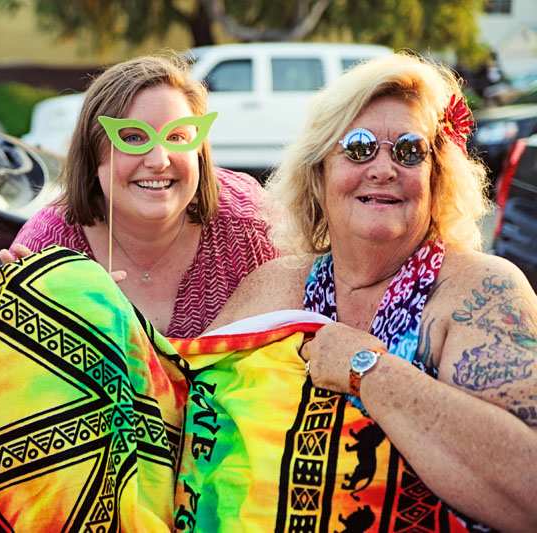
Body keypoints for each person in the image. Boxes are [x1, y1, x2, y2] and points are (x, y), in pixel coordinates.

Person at [207, 53, 537, 530]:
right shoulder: (274, 286)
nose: (384, 169)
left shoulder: (479, 292)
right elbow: (181, 410)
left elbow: (528, 493)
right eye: (359, 148)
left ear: (436, 179)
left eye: (409, 151)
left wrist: (369, 370)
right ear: (318, 174)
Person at [9, 55, 276, 338]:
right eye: (134, 138)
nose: (159, 160)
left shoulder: (253, 226)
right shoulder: (46, 247)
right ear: (93, 152)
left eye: (176, 137)